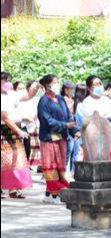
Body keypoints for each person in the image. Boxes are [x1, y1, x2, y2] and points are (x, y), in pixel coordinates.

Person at [37, 74, 79, 204]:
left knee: (60, 165)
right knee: (51, 165)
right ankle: (55, 194)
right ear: (47, 85)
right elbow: (47, 121)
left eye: (57, 82)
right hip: (49, 138)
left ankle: (49, 194)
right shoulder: (43, 101)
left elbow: (68, 117)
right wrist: (65, 125)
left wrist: (74, 130)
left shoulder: (60, 99)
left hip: (61, 138)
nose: (57, 84)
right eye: (54, 82)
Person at [1, 73, 32, 199]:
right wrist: (19, 131)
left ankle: (14, 188)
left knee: (16, 160)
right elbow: (5, 117)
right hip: (4, 130)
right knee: (5, 160)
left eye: (8, 80)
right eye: (4, 80)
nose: (7, 83)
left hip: (14, 130)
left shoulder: (11, 95)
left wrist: (35, 88)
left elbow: (27, 96)